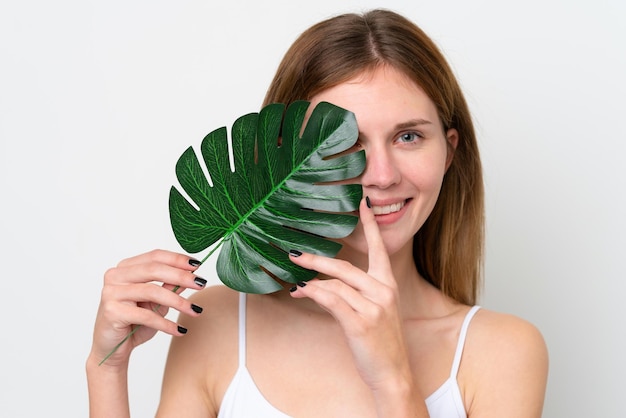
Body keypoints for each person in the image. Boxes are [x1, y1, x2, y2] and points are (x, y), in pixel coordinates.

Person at [86, 9, 548, 418]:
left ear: (448, 153)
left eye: (408, 136)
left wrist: (393, 380)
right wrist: (106, 369)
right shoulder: (220, 320)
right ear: (285, 160)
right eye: (346, 142)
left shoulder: (503, 352)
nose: (381, 175)